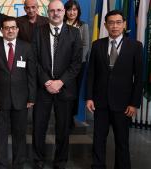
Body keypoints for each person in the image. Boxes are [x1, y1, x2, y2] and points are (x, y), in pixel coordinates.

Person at [86, 10, 143, 169]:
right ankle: (98, 166)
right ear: (105, 25)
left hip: (124, 104)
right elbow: (91, 74)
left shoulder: (136, 46)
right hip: (100, 102)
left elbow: (139, 78)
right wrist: (89, 97)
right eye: (111, 22)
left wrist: (134, 103)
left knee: (122, 141)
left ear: (124, 24)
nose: (115, 26)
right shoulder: (97, 45)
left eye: (118, 22)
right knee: (98, 139)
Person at [32, 0, 82, 168]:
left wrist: (60, 82)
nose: (56, 13)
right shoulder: (38, 32)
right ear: (48, 13)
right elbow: (34, 61)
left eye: (59, 10)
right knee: (39, 127)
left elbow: (76, 64)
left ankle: (60, 161)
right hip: (42, 88)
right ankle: (38, 159)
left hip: (65, 88)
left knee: (63, 129)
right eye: (52, 10)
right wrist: (47, 81)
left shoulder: (74, 33)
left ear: (64, 12)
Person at [0, 17, 36, 169]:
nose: (10, 30)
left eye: (13, 27)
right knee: (0, 135)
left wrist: (31, 96)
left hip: (21, 99)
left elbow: (31, 75)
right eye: (6, 28)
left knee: (19, 135)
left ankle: (18, 163)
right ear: (1, 30)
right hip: (0, 101)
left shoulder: (27, 48)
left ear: (17, 29)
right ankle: (0, 164)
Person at [64, 0, 90, 126]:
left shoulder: (83, 26)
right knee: (64, 90)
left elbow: (85, 45)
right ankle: (64, 116)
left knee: (75, 91)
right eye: (69, 9)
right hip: (62, 65)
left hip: (79, 64)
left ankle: (71, 117)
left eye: (74, 10)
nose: (72, 12)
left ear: (78, 11)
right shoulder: (61, 24)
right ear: (65, 11)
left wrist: (77, 61)